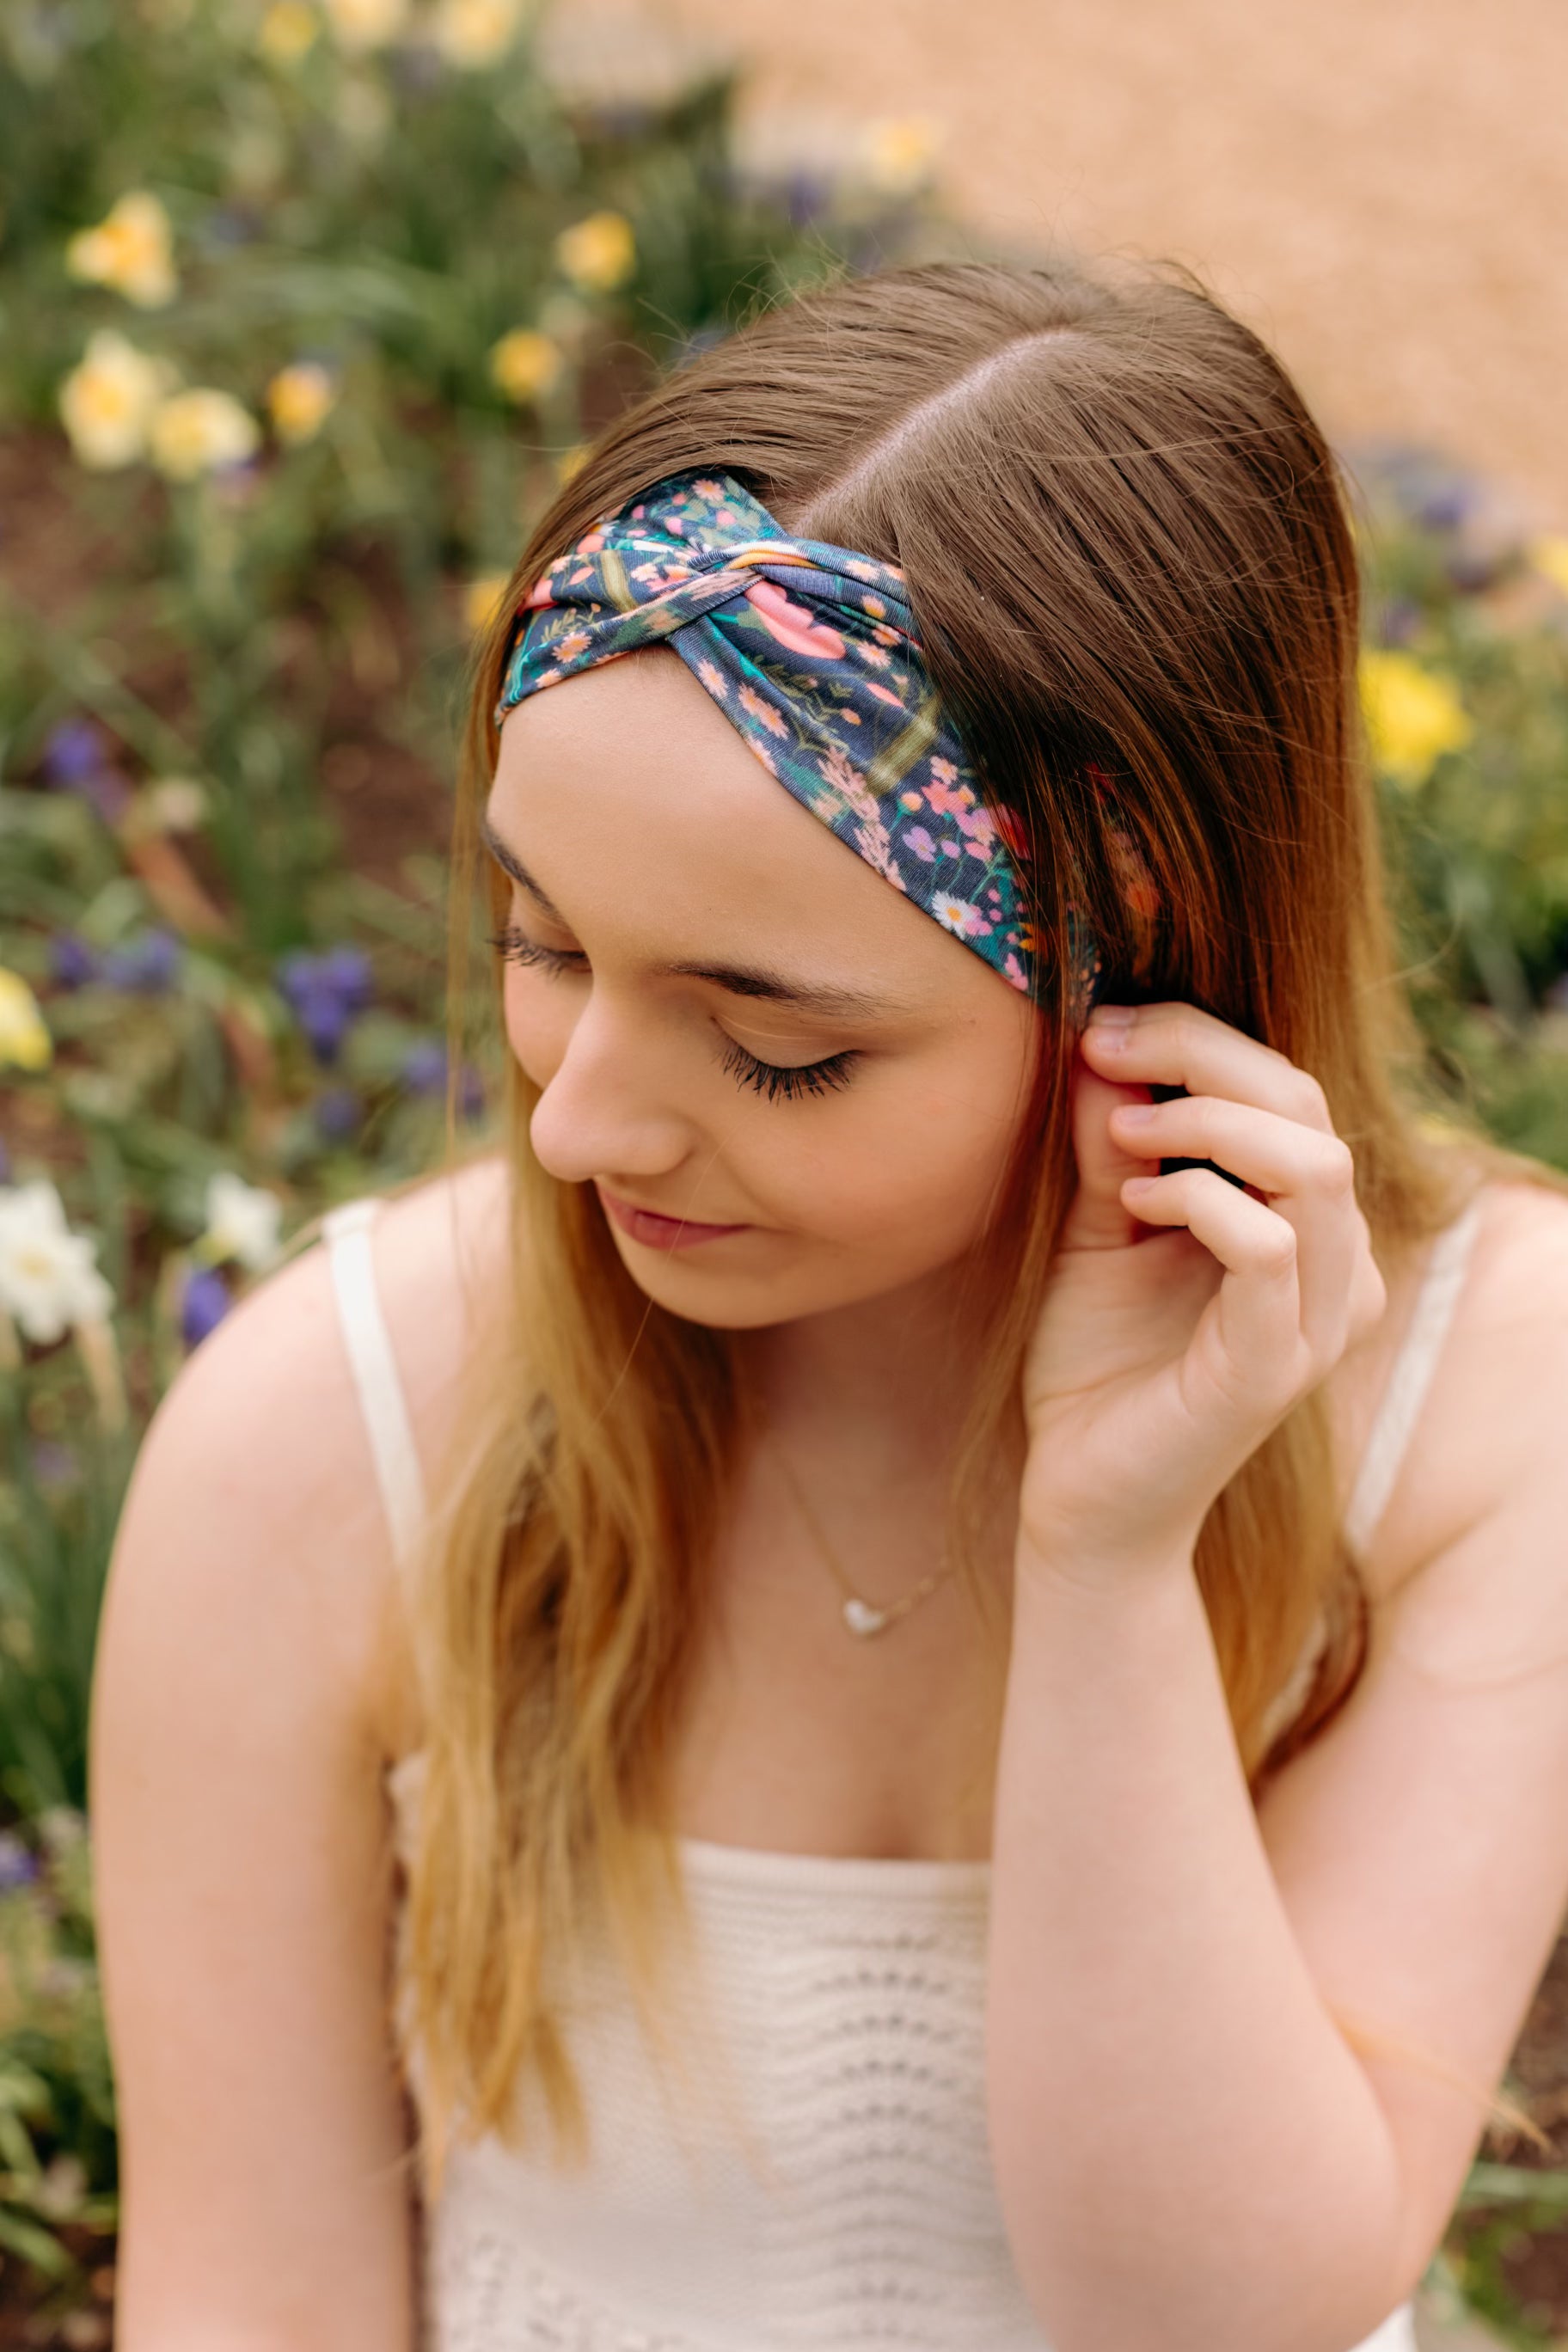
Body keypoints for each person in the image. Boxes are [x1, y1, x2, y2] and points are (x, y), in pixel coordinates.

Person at [90, 258, 1568, 2352]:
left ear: (1140, 962)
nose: (584, 1126)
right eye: (544, 941)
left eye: (774, 1043)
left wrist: (1116, 1550)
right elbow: (251, 2303)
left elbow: (1218, 2317)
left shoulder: (1488, 1398)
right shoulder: (330, 1438)